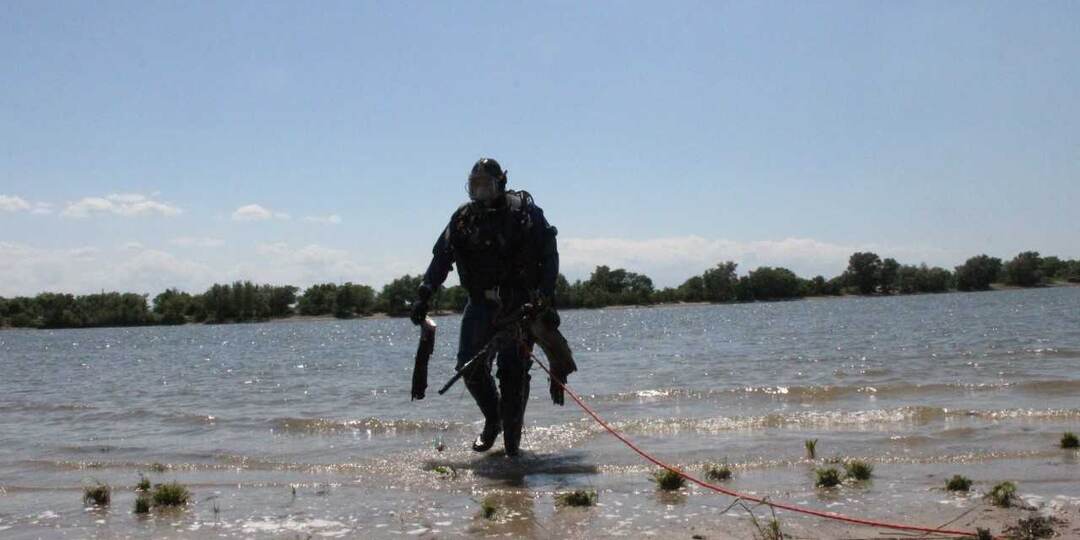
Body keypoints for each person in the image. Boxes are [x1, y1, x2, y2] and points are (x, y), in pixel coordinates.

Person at [410, 157, 570, 457]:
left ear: (502, 184)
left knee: (513, 373)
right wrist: (424, 292)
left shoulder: (525, 213)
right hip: (480, 304)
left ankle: (512, 450)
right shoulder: (462, 219)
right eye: (475, 187)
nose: (481, 193)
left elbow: (550, 254)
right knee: (469, 367)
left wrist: (545, 295)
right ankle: (493, 419)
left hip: (518, 305)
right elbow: (441, 257)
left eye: (487, 186)